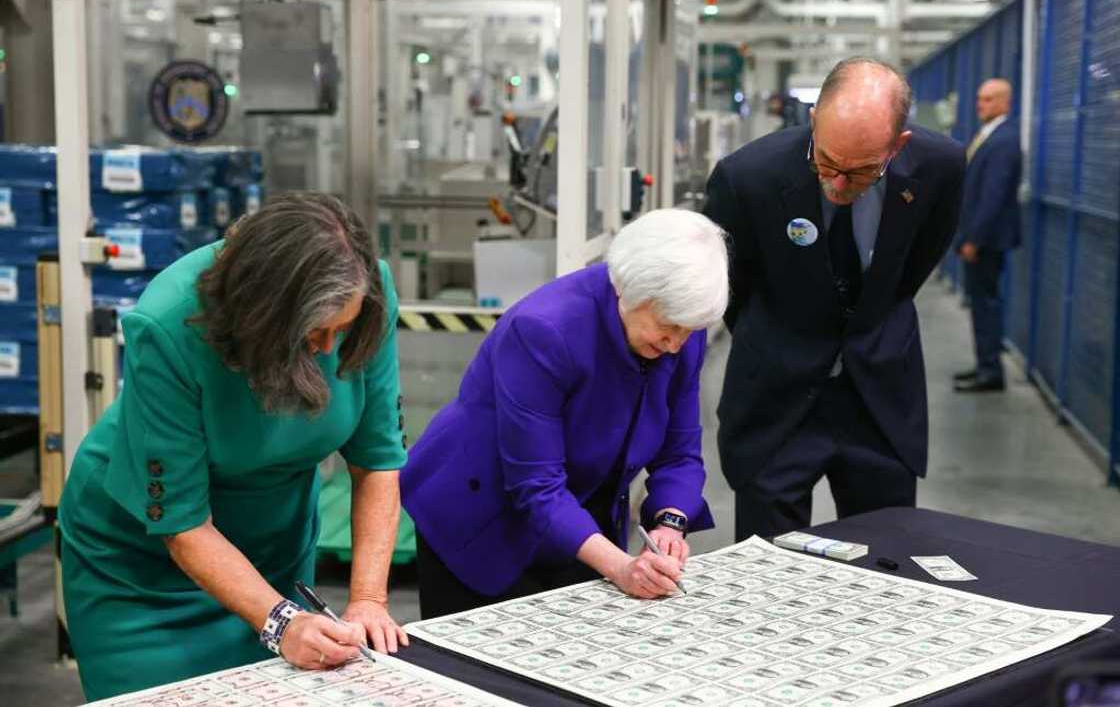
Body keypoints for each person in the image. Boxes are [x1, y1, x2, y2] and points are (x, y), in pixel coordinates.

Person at [59, 193, 410, 701]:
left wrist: (369, 601)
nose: (331, 351)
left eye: (343, 330)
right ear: (263, 316)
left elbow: (377, 462)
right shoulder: (168, 322)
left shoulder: (362, 292)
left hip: (273, 551)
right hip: (141, 571)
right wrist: (281, 624)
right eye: (316, 332)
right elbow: (181, 523)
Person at [401, 209, 729, 618]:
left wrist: (670, 524)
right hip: (483, 518)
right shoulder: (544, 330)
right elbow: (537, 485)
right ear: (628, 291)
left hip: (579, 509)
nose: (677, 344)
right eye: (668, 326)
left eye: (688, 330)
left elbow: (680, 452)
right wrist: (621, 567)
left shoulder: (679, 330)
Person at [703, 56, 965, 541]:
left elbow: (911, 270)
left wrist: (865, 325)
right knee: (767, 565)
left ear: (898, 144)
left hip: (878, 392)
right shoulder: (747, 177)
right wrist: (786, 337)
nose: (839, 184)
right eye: (826, 163)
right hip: (777, 395)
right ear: (814, 120)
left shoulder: (940, 168)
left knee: (885, 562)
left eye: (862, 171)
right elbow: (731, 288)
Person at [954, 78, 1022, 393]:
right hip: (981, 237)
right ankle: (985, 364)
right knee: (981, 303)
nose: (982, 105)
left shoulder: (1004, 139)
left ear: (1006, 102)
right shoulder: (989, 135)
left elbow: (993, 196)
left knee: (986, 303)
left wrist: (974, 239)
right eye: (980, 99)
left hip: (987, 240)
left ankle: (991, 371)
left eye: (990, 99)